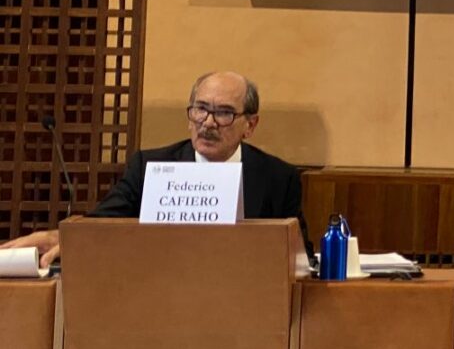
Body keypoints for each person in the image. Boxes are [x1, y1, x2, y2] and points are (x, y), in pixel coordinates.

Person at [0, 70, 305, 268]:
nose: (208, 123)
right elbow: (104, 221)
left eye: (224, 113)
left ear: (250, 125)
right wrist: (64, 236)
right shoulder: (150, 167)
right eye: (200, 109)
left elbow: (299, 256)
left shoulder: (278, 178)